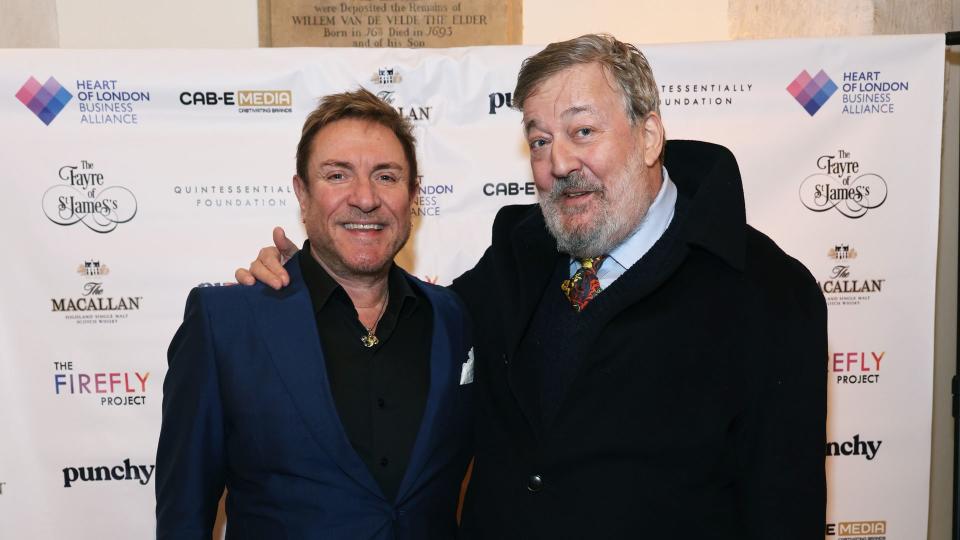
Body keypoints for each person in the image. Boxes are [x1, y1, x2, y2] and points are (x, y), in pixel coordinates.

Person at [238, 34, 827, 538]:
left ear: (649, 136)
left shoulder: (767, 293)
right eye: (540, 140)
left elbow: (784, 511)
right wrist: (320, 276)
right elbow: (409, 319)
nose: (559, 163)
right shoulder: (519, 254)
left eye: (583, 131)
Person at [156, 89, 474, 540]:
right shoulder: (225, 324)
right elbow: (183, 516)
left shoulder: (453, 318)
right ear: (302, 195)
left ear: (413, 196)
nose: (365, 198)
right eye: (337, 175)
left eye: (386, 176)